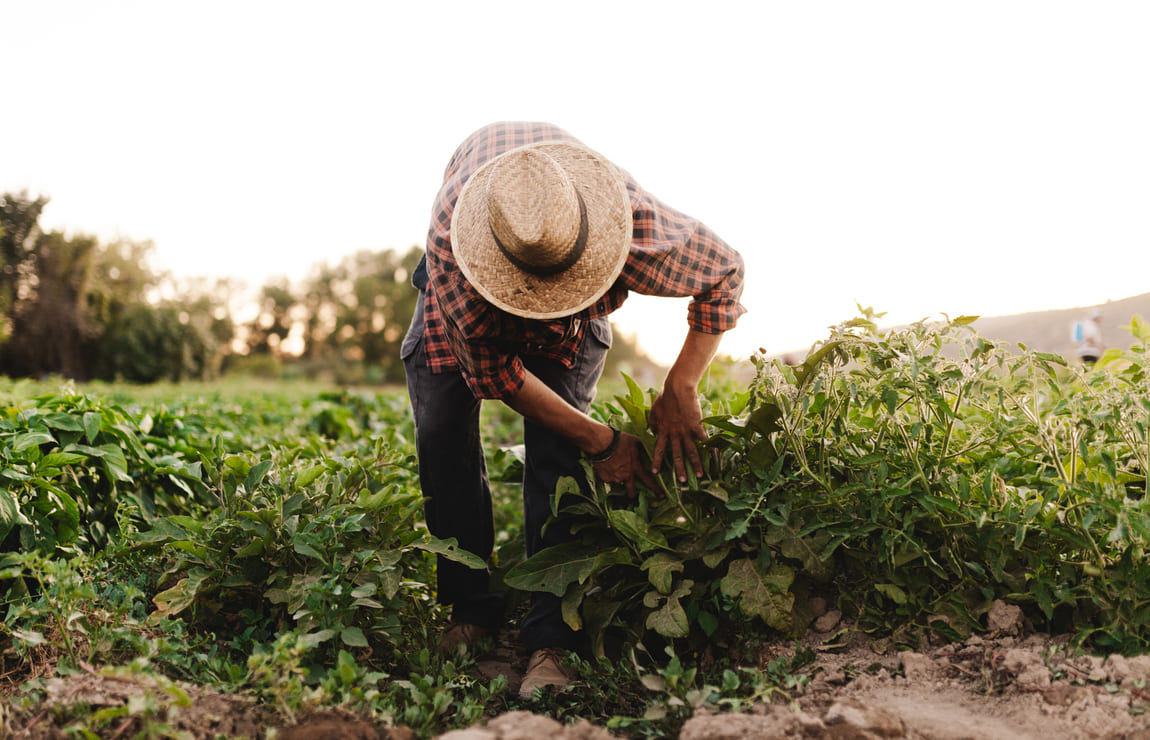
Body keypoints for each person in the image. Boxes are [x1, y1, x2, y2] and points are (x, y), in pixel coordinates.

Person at [400, 122, 746, 698]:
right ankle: (471, 606)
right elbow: (499, 376)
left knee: (559, 459)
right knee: (441, 435)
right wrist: (604, 442)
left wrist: (682, 385)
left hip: (576, 293)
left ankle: (552, 637)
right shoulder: (456, 255)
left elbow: (725, 273)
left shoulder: (628, 221)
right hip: (465, 294)